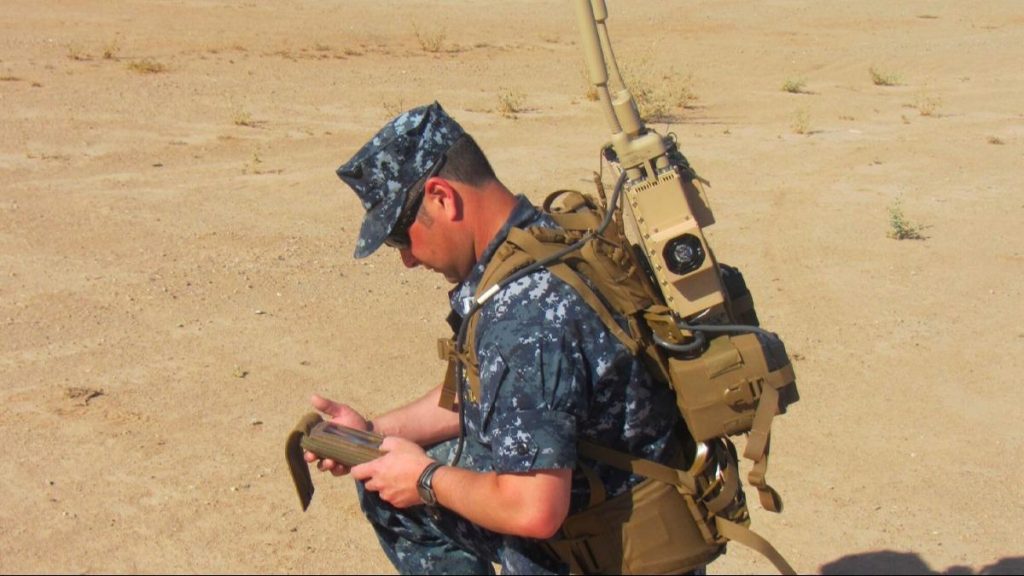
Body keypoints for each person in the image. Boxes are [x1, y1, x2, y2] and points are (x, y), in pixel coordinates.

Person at [305, 101, 691, 574]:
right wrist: (373, 433)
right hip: (632, 511)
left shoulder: (524, 314)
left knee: (415, 490)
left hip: (604, 547)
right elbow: (477, 397)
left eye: (401, 238)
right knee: (384, 481)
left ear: (442, 197)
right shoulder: (542, 238)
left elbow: (533, 508)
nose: (406, 259)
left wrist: (424, 479)